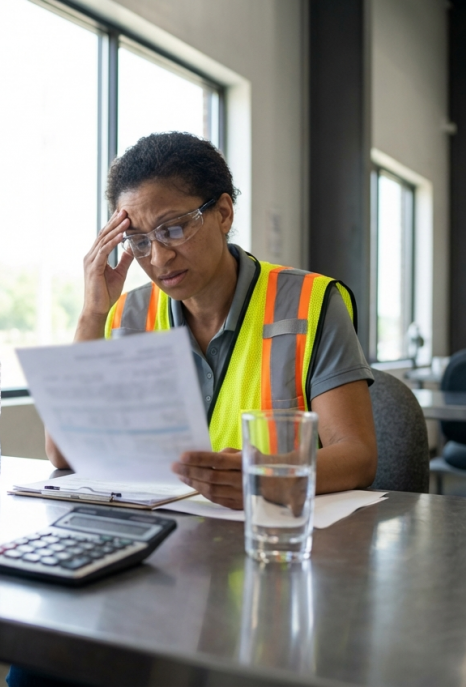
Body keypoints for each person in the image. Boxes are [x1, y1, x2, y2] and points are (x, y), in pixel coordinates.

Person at [46, 132, 378, 509]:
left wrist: (266, 475)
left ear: (223, 213)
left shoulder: (309, 303)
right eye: (139, 241)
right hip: (165, 540)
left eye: (172, 229)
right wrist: (92, 314)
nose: (158, 259)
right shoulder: (125, 315)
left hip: (274, 536)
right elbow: (62, 454)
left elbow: (358, 456)